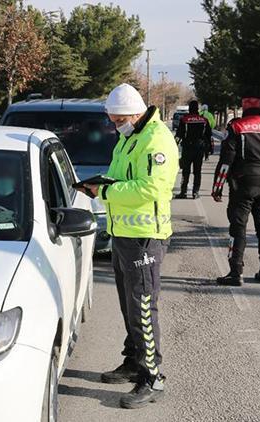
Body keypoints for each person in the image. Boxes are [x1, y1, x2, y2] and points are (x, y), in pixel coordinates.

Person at [78, 83, 179, 409]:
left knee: (143, 310)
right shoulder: (130, 137)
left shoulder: (156, 141)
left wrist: (103, 194)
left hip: (145, 237)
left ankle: (153, 377)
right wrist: (100, 182)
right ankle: (135, 360)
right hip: (124, 234)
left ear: (135, 113)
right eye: (112, 120)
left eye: (118, 119)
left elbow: (150, 188)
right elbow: (119, 176)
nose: (114, 125)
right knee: (129, 307)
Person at [211, 97, 260, 286]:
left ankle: (236, 273)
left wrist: (217, 187)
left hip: (242, 186)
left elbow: (226, 161)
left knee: (238, 228)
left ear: (244, 110)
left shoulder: (236, 127)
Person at [175, 100, 212, 199]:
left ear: (190, 108)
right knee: (197, 171)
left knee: (185, 171)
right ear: (197, 109)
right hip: (199, 149)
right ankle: (195, 192)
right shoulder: (204, 120)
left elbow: (179, 135)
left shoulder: (184, 120)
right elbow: (208, 136)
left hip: (187, 149)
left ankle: (183, 192)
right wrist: (208, 150)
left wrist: (174, 146)